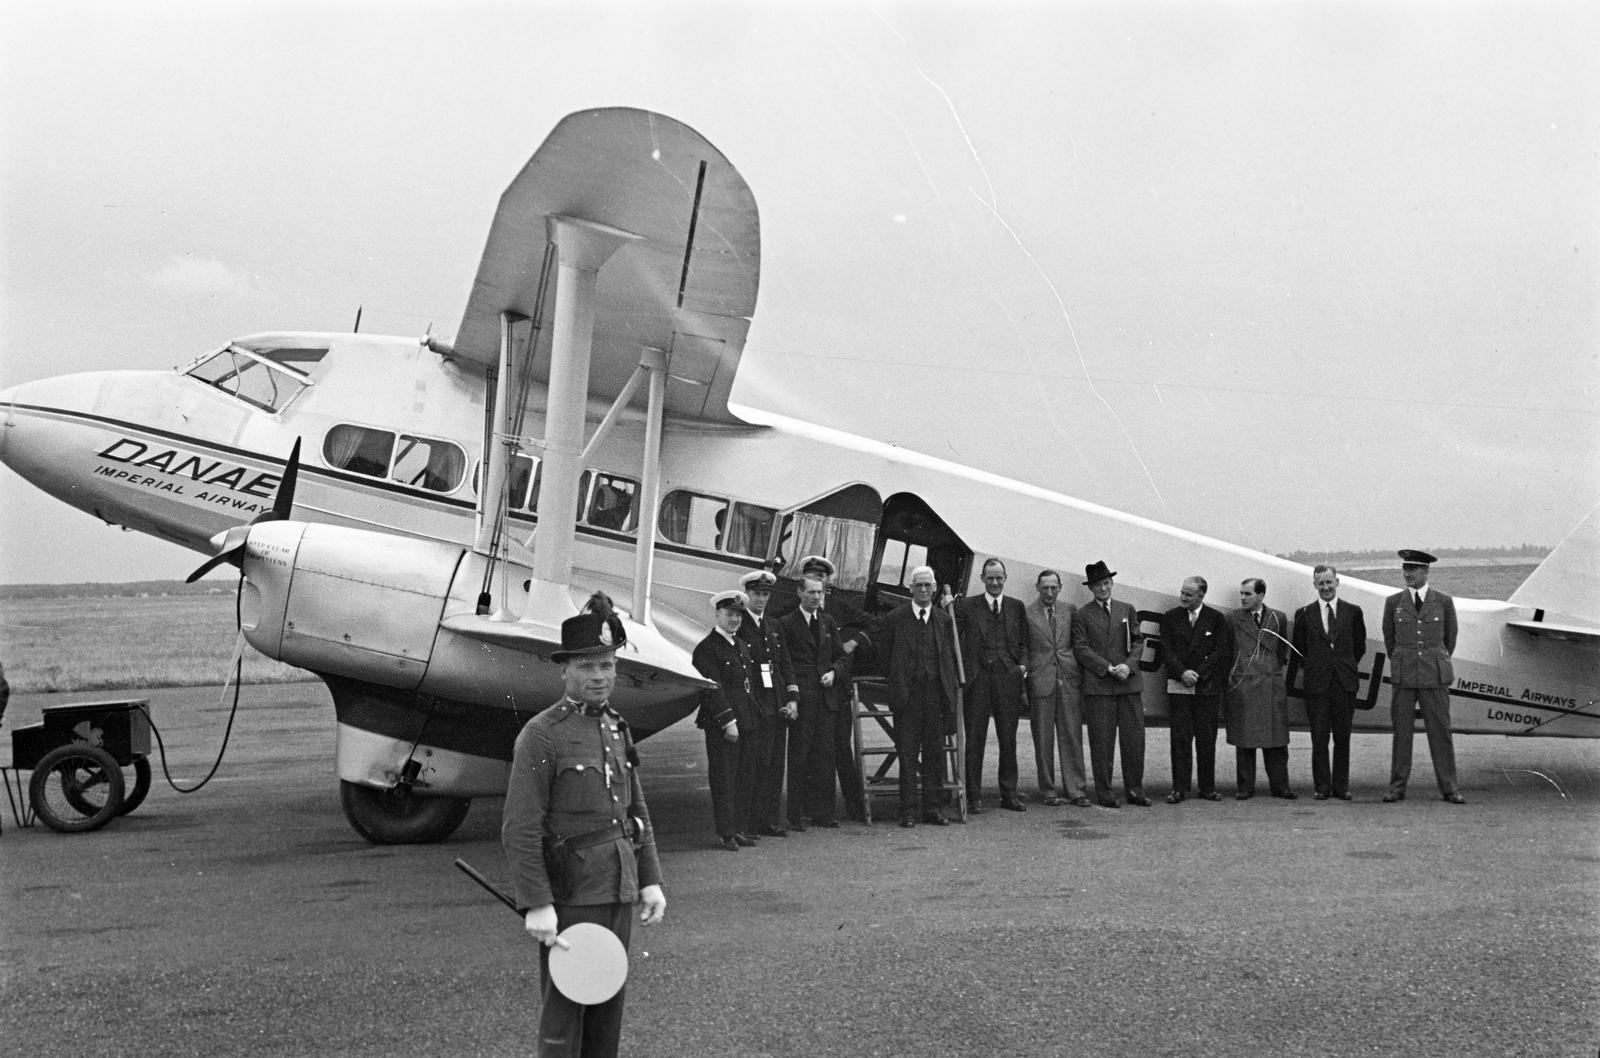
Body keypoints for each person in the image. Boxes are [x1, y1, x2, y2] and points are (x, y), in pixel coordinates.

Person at [502, 593, 666, 1058]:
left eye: (607, 665)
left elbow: (636, 810)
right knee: (564, 1017)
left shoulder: (616, 726)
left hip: (618, 889)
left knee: (606, 1012)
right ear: (565, 670)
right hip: (572, 894)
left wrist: (650, 879)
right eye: (587, 666)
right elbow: (520, 826)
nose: (599, 676)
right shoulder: (542, 735)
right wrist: (537, 902)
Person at [872, 565, 959, 827]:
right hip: (907, 697)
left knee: (934, 754)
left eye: (927, 585)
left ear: (934, 588)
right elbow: (884, 657)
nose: (923, 589)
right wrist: (899, 681)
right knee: (908, 755)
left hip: (935, 696)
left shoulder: (943, 620)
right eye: (918, 585)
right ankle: (908, 811)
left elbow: (948, 658)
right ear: (910, 588)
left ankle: (933, 809)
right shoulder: (895, 618)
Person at [791, 554, 871, 821]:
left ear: (827, 582)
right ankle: (808, 809)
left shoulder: (838, 607)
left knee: (841, 749)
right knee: (813, 751)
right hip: (811, 691)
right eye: (812, 577)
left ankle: (854, 807)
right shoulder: (793, 612)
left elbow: (873, 624)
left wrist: (853, 642)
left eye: (821, 578)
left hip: (837, 689)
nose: (817, 583)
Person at [1381, 550, 1464, 803]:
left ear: (1425, 571)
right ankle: (1397, 787)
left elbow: (1449, 639)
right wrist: (1405, 660)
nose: (1407, 573)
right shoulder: (1394, 603)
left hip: (1434, 676)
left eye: (1413, 569)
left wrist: (1433, 660)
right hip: (1405, 676)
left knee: (1441, 733)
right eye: (1405, 569)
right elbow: (1390, 640)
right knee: (1401, 734)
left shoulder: (1443, 602)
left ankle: (1449, 788)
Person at [691, 590, 768, 851]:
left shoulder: (741, 645)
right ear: (717, 614)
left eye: (738, 615)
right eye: (729, 614)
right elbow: (712, 688)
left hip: (747, 721)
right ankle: (726, 833)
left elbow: (749, 685)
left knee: (744, 778)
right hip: (724, 725)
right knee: (724, 779)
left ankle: (739, 828)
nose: (734, 620)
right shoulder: (707, 648)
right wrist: (728, 722)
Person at [1071, 560, 1149, 808]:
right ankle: (1105, 793)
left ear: (1112, 583)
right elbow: (1081, 648)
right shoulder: (1082, 614)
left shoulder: (1127, 609)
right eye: (1097, 585)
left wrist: (1128, 665)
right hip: (1100, 687)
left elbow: (1138, 642)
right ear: (1090, 588)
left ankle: (1135, 790)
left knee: (1134, 741)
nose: (1103, 588)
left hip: (1129, 685)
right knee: (1102, 743)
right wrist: (1106, 667)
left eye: (1106, 583)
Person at [956, 557, 1030, 812]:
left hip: (1007, 679)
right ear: (982, 579)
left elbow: (1024, 643)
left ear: (1005, 578)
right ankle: (973, 796)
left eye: (999, 578)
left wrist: (1022, 667)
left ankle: (1008, 795)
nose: (995, 582)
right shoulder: (967, 605)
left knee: (1008, 739)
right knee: (974, 740)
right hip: (977, 681)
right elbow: (953, 637)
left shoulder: (1016, 606)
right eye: (990, 578)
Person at [777, 575, 850, 829]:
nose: (817, 597)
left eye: (820, 592)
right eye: (811, 592)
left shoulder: (828, 622)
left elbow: (841, 657)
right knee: (799, 757)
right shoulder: (787, 623)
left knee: (825, 756)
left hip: (826, 699)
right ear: (800, 593)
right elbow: (784, 663)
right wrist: (792, 697)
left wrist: (834, 672)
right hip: (802, 699)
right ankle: (795, 815)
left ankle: (823, 813)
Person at [1291, 565, 1367, 800]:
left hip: (1344, 684)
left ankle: (1341, 787)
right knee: (1319, 737)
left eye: (1329, 582)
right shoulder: (1304, 614)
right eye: (1320, 583)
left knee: (1343, 737)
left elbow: (1359, 647)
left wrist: (1342, 666)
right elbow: (1300, 650)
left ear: (1337, 582)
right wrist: (1319, 666)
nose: (1325, 587)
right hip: (1317, 685)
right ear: (1315, 585)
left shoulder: (1353, 612)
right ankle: (1322, 787)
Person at [736, 570, 800, 837]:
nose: (761, 599)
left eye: (765, 594)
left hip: (776, 704)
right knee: (754, 764)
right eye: (756, 594)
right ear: (747, 594)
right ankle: (749, 822)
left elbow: (785, 663)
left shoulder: (773, 625)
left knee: (774, 765)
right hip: (754, 704)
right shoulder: (740, 625)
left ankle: (768, 819)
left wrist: (792, 698)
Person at [1158, 576, 1231, 803]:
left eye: (1188, 594)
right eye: (1182, 592)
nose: (1182, 597)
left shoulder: (1216, 619)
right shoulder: (1171, 617)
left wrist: (1197, 674)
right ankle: (1179, 788)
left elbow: (1221, 651)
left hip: (1206, 688)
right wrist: (1182, 672)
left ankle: (1207, 788)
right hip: (1179, 685)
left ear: (1201, 595)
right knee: (1180, 738)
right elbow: (1166, 650)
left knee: (1206, 738)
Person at [1224, 579, 1296, 800]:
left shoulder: (1278, 617)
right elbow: (1228, 650)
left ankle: (1280, 786)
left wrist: (1270, 670)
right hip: (1244, 684)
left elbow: (1281, 651)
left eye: (1248, 594)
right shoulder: (1232, 618)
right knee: (1245, 740)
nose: (1243, 598)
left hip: (1270, 683)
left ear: (1261, 595)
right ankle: (1245, 787)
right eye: (1241, 593)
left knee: (1276, 740)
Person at [1025, 569, 1090, 807]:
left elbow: (1079, 644)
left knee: (1072, 735)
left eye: (1054, 588)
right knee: (1042, 739)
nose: (1049, 592)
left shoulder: (1070, 610)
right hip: (1040, 681)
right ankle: (1048, 790)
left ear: (1060, 588)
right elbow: (1025, 648)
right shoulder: (1027, 613)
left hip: (1068, 680)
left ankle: (1076, 790)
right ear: (1037, 587)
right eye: (1045, 588)